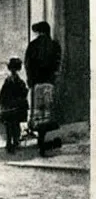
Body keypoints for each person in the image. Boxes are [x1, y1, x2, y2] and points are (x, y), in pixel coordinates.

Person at [24, 21, 62, 156]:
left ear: (39, 32)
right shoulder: (54, 45)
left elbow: (27, 65)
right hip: (49, 84)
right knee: (48, 114)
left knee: (38, 115)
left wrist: (30, 81)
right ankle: (46, 142)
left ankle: (41, 142)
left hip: (37, 85)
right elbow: (57, 64)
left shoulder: (32, 46)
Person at [0, 58, 29, 154]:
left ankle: (13, 141)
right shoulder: (15, 81)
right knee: (12, 124)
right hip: (14, 106)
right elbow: (23, 92)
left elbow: (3, 93)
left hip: (11, 106)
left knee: (11, 124)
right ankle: (12, 141)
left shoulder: (12, 81)